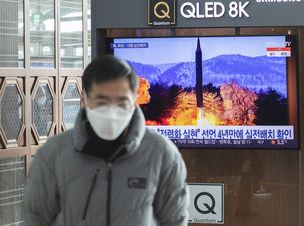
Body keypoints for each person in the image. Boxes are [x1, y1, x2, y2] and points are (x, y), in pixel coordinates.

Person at [23, 55, 189, 226]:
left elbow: (174, 220)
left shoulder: (162, 154)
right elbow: (35, 218)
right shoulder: (53, 154)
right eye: (102, 102)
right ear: (84, 99)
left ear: (134, 102)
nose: (111, 113)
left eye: (121, 103)